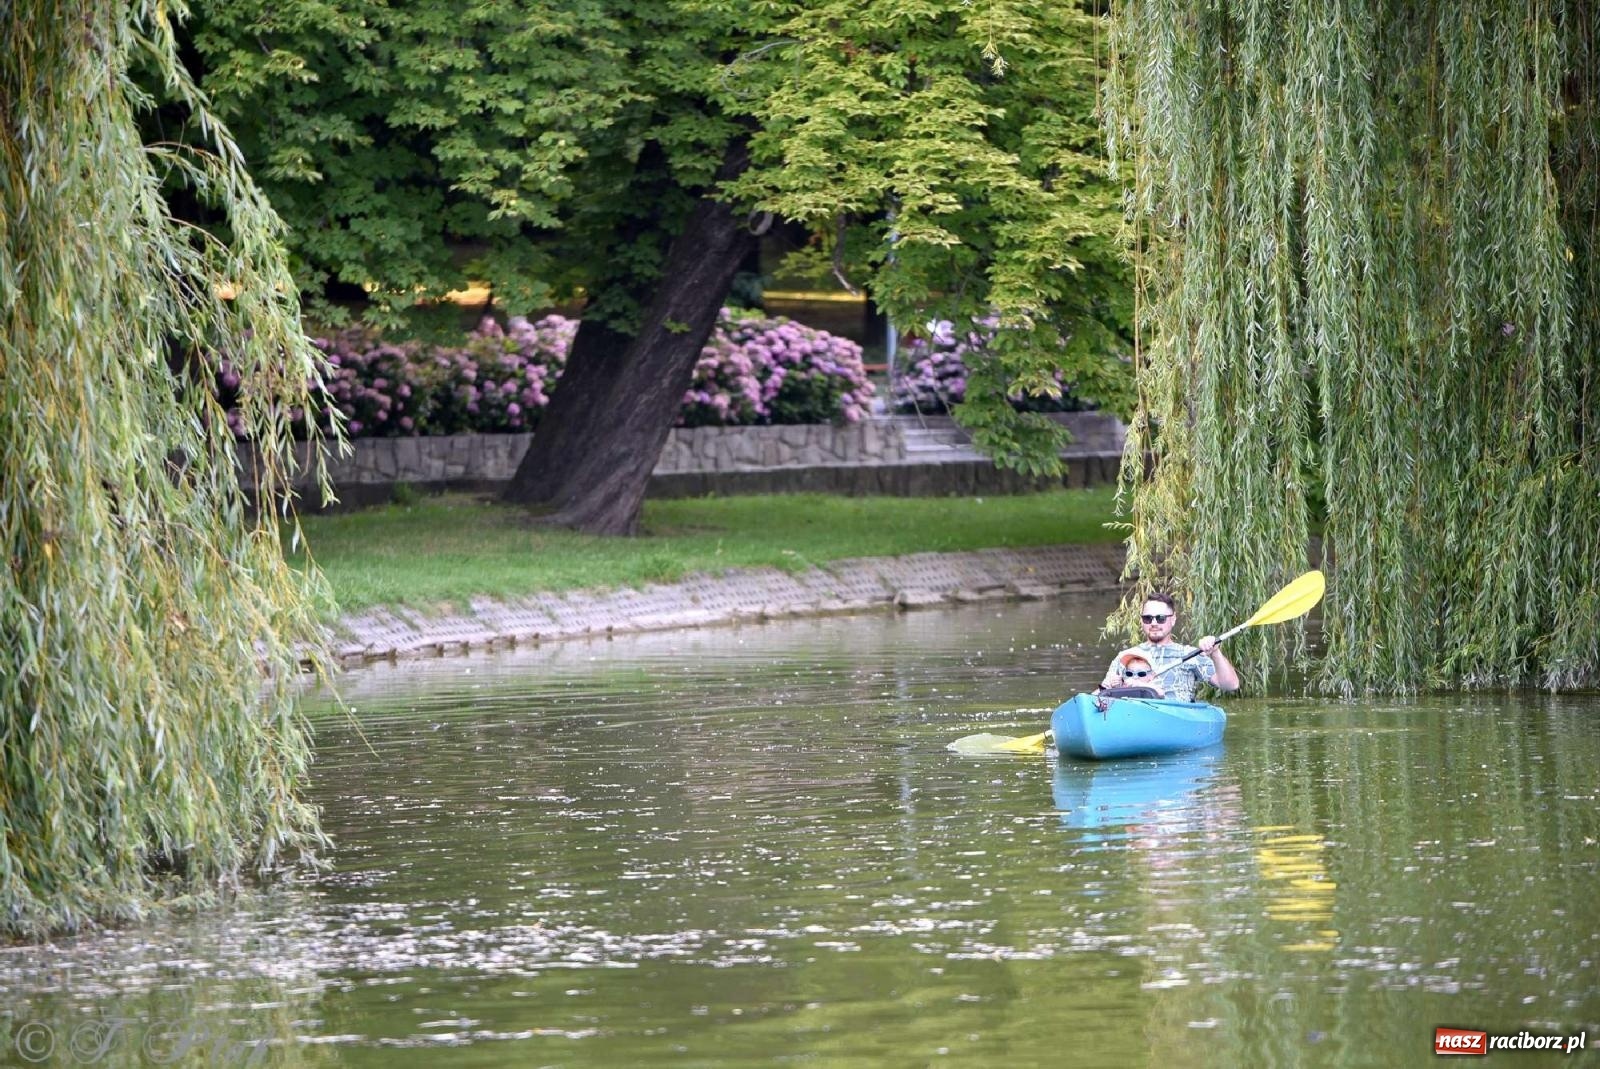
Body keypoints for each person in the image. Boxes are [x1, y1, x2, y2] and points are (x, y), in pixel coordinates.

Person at [1099, 591, 1240, 703]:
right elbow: (1099, 695)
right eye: (1148, 618)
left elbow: (1231, 685)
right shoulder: (1126, 656)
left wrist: (1215, 653)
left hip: (1175, 718)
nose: (1153, 623)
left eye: (1160, 618)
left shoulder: (1191, 654)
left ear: (1173, 620)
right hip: (1133, 715)